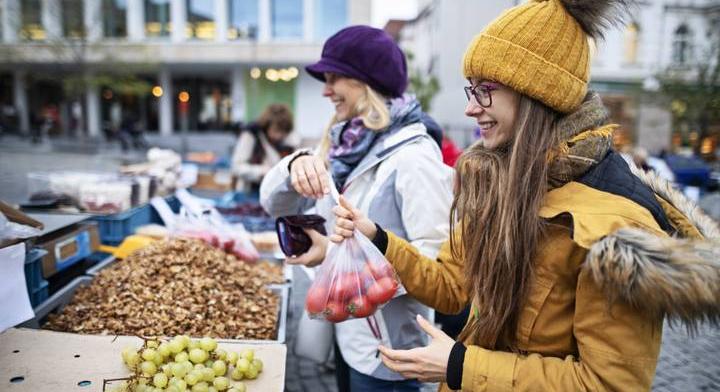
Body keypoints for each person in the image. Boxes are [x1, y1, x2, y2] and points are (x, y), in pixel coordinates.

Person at [322, 1, 720, 391]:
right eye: (471, 90)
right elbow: (450, 285)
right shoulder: (501, 184)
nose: (469, 108)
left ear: (536, 93)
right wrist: (377, 236)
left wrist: (462, 366)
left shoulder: (616, 229)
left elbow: (610, 382)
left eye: (485, 90)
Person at [259, 25, 453, 392]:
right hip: (350, 343)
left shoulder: (414, 159)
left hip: (394, 360)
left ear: (368, 82)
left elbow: (438, 270)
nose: (325, 89)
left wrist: (328, 255)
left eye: (335, 77)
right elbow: (273, 204)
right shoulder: (343, 147)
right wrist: (292, 167)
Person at [231, 103, 296, 193]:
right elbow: (237, 167)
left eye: (283, 132)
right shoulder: (251, 135)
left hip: (274, 193)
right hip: (251, 191)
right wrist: (262, 171)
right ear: (267, 125)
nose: (279, 136)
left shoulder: (286, 141)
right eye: (276, 130)